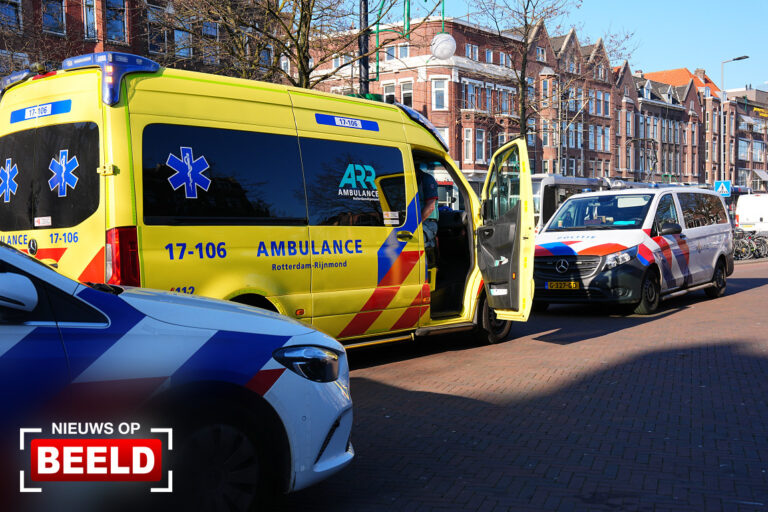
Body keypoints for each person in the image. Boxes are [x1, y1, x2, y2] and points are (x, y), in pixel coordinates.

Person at [417, 167, 439, 266]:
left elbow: (430, 206)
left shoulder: (426, 179)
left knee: (413, 241)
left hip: (428, 223)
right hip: (420, 222)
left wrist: (415, 224)